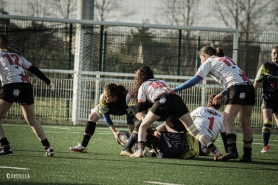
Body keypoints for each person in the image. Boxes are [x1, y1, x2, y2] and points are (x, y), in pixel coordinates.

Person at [173, 46, 255, 162]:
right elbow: (237, 78)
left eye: (200, 59)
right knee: (245, 123)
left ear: (205, 56)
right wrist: (222, 94)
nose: (201, 62)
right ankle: (247, 155)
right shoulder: (226, 58)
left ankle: (232, 151)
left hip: (236, 88)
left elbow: (195, 80)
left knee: (227, 120)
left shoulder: (209, 61)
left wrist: (175, 89)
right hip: (249, 88)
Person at [129, 65, 222, 159]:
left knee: (143, 126)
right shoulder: (161, 81)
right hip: (177, 99)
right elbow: (168, 93)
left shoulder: (143, 86)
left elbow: (140, 107)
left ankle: (139, 151)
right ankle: (216, 151)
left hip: (162, 99)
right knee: (194, 130)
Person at [0, 34, 55, 156]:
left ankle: (6, 147)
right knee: (32, 120)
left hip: (11, 85)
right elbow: (33, 69)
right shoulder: (17, 55)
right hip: (26, 86)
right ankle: (48, 147)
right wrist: (47, 81)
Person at [145, 94, 227, 159]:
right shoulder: (223, 117)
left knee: (167, 123)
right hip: (204, 150)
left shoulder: (201, 109)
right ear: (219, 107)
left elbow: (185, 119)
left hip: (191, 139)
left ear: (208, 104)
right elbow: (225, 138)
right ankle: (155, 144)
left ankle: (153, 142)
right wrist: (227, 153)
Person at [70, 83, 135, 153]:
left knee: (139, 125)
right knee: (92, 117)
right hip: (108, 109)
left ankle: (137, 147)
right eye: (104, 95)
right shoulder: (103, 99)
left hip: (124, 110)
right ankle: (83, 146)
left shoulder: (126, 100)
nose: (104, 97)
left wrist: (132, 137)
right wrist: (115, 132)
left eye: (106, 96)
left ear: (114, 96)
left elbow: (130, 120)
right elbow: (106, 116)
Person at [253, 46, 278, 153]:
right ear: (271, 54)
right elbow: (257, 81)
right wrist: (251, 93)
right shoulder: (265, 66)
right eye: (274, 53)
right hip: (268, 98)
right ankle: (265, 146)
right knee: (267, 120)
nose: (276, 55)